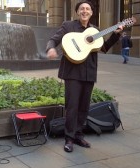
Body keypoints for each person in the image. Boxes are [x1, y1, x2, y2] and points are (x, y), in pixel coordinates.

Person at [46, 1, 123, 153]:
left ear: (91, 13)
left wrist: (116, 34)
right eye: (82, 9)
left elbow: (105, 48)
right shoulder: (68, 26)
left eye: (87, 9)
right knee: (72, 106)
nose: (85, 11)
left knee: (83, 107)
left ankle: (78, 135)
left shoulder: (95, 30)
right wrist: (50, 48)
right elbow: (54, 39)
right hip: (72, 73)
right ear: (77, 12)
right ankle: (69, 138)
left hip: (89, 72)